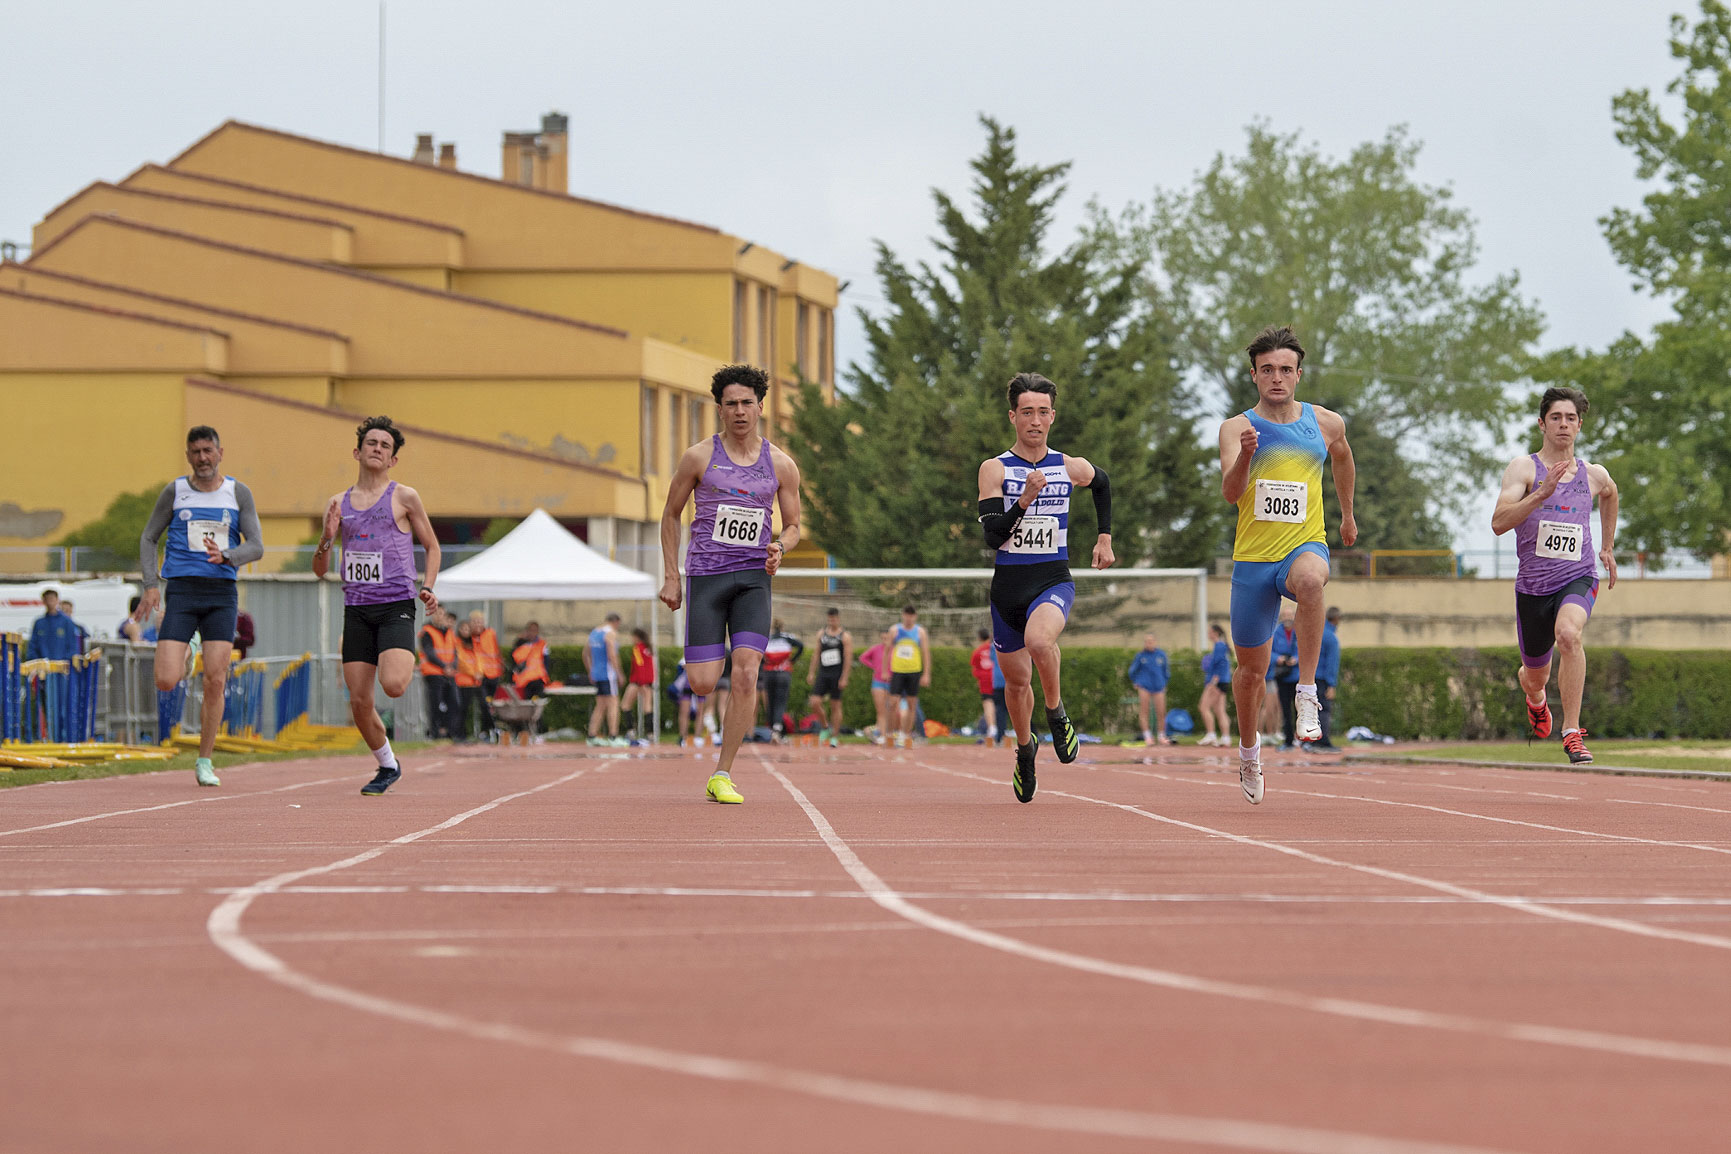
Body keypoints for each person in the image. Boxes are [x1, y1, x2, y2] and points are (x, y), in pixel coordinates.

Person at [1219, 326, 1356, 805]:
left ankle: (1306, 691)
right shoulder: (1237, 428)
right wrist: (1246, 457)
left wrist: (1348, 514)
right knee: (1250, 674)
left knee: (1312, 582)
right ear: (1254, 375)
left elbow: (1343, 457)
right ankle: (1250, 751)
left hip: (1305, 543)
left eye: (1285, 370)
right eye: (1267, 370)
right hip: (1254, 558)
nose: (1277, 378)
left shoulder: (1325, 422)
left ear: (1299, 374)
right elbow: (1231, 493)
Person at [657, 363, 802, 804]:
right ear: (719, 409)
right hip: (706, 575)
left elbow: (794, 525)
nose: (740, 411)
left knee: (746, 674)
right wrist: (670, 575)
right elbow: (669, 515)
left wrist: (782, 546)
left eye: (747, 403)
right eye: (731, 404)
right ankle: (705, 666)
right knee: (703, 682)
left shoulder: (780, 464)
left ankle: (723, 773)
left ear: (761, 407)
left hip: (754, 579)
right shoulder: (699, 457)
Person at [976, 371, 1115, 802]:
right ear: (1013, 417)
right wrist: (1023, 500)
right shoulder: (994, 468)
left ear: (1052, 416)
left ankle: (1056, 712)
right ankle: (1024, 750)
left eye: (1042, 412)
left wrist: (1104, 537)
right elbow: (992, 537)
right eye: (1027, 413)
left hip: (1053, 578)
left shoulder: (1067, 465)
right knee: (1016, 685)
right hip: (1007, 589)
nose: (1035, 421)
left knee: (1040, 641)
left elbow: (1103, 483)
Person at [313, 414, 442, 794]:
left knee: (395, 685)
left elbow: (432, 547)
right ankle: (387, 764)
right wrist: (327, 536)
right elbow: (320, 569)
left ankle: (399, 652)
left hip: (395, 604)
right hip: (356, 608)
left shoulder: (404, 497)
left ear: (393, 460)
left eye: (385, 446)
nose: (377, 449)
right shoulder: (337, 504)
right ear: (357, 451)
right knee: (358, 700)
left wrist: (429, 585)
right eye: (372, 443)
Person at [1491, 385, 1619, 765]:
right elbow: (1498, 523)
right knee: (1535, 676)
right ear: (1542, 423)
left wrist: (1607, 546)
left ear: (1580, 425)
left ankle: (1572, 731)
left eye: (1571, 418)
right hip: (1533, 587)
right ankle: (1536, 699)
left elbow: (1611, 495)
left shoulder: (1594, 475)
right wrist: (1540, 495)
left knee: (1569, 634)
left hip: (1578, 576)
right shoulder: (1524, 468)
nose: (1563, 425)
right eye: (1556, 418)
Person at [137, 426, 266, 787]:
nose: (203, 458)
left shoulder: (237, 492)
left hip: (221, 594)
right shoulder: (175, 492)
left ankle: (205, 761)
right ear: (188, 456)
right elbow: (149, 537)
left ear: (220, 452)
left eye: (208, 450)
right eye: (195, 452)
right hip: (181, 590)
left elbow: (256, 545)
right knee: (165, 680)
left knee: (215, 679)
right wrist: (150, 585)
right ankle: (189, 646)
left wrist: (228, 555)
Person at [886, 605, 930, 749]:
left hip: (914, 671)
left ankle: (905, 734)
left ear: (915, 616)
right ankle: (890, 733)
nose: (908, 618)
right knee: (893, 703)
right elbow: (886, 651)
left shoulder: (920, 632)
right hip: (898, 670)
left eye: (911, 615)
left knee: (912, 704)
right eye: (906, 615)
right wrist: (885, 671)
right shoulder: (894, 630)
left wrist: (926, 673)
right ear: (902, 615)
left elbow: (925, 653)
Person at [805, 608, 851, 748]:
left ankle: (835, 737)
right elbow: (816, 654)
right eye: (830, 619)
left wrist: (844, 677)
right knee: (814, 701)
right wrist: (811, 672)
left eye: (834, 619)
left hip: (836, 675)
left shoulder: (844, 636)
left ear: (838, 619)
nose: (832, 621)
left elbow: (848, 658)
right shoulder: (822, 634)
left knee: (835, 705)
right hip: (823, 673)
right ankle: (825, 727)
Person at [759, 619, 804, 740]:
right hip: (783, 673)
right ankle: (777, 729)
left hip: (769, 673)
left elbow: (758, 651)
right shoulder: (787, 637)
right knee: (780, 702)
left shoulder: (768, 638)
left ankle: (771, 728)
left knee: (770, 702)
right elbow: (801, 646)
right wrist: (793, 660)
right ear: (782, 627)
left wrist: (764, 661)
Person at [418, 608, 459, 740]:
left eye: (442, 614)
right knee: (435, 705)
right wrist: (444, 666)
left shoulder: (450, 632)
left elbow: (455, 653)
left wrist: (451, 666)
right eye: (437, 614)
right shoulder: (427, 632)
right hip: (434, 673)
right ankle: (434, 733)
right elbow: (429, 653)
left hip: (449, 674)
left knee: (454, 703)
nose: (439, 616)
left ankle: (449, 732)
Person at [585, 612, 624, 746]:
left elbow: (585, 654)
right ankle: (613, 736)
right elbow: (612, 654)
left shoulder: (594, 633)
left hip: (597, 674)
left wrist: (591, 671)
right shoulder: (610, 633)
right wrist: (619, 673)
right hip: (608, 674)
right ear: (616, 622)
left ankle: (592, 735)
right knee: (613, 704)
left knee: (600, 706)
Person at [1128, 632, 1172, 746]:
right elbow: (1132, 671)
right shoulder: (1141, 656)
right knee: (1144, 711)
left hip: (1158, 687)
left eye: (1151, 641)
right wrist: (1136, 682)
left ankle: (1161, 735)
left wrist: (1164, 682)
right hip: (1144, 686)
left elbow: (1166, 671)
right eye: (1147, 641)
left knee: (1161, 712)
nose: (1149, 643)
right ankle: (1147, 736)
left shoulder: (1161, 655)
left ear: (1155, 642)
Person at [1309, 606, 1342, 751]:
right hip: (1323, 678)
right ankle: (1323, 741)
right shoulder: (1332, 638)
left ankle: (1311, 739)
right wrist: (1332, 684)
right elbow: (1331, 663)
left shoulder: (1318, 633)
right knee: (1325, 710)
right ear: (1337, 619)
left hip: (1312, 676)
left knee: (1313, 710)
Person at [1196, 623, 1233, 747]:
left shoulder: (1219, 645)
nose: (1208, 634)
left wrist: (1214, 681)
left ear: (1215, 633)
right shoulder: (1223, 645)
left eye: (1210, 632)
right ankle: (1226, 737)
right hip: (1223, 680)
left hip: (1217, 681)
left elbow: (1220, 664)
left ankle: (1211, 734)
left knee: (1203, 707)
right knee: (1219, 710)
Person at [467, 611, 501, 740]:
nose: (477, 624)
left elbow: (496, 652)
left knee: (491, 704)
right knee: (483, 704)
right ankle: (488, 729)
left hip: (493, 674)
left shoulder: (490, 633)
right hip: (479, 676)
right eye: (474, 621)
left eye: (479, 621)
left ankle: (490, 729)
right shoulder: (468, 637)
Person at [1270, 605, 1300, 749]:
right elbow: (1269, 651)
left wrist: (1296, 658)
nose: (1287, 618)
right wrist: (1279, 658)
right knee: (1285, 710)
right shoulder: (1276, 632)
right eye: (1285, 615)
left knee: (1299, 709)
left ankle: (1302, 739)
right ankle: (1288, 740)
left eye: (1290, 615)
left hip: (1297, 676)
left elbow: (1306, 648)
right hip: (1282, 676)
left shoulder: (1300, 631)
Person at [620, 627, 657, 741]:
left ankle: (631, 731)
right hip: (648, 682)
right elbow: (651, 667)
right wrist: (648, 682)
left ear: (636, 637)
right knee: (647, 707)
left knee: (625, 705)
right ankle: (650, 733)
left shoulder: (637, 649)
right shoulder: (648, 648)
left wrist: (641, 683)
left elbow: (639, 665)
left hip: (638, 682)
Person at [857, 629, 893, 744]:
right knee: (880, 709)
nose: (885, 641)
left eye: (886, 638)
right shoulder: (876, 648)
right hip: (878, 681)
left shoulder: (895, 649)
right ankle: (882, 735)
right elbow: (862, 658)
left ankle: (887, 733)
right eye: (883, 638)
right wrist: (874, 666)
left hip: (892, 682)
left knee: (890, 709)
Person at [26, 589, 81, 661]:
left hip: (62, 668)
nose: (49, 602)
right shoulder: (39, 623)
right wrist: (36, 661)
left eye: (52, 599)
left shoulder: (67, 622)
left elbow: (73, 646)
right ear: (43, 601)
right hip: (42, 668)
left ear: (57, 600)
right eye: (47, 599)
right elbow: (32, 646)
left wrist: (65, 662)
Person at [453, 618, 485, 741]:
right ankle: (458, 733)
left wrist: (480, 672)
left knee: (470, 709)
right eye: (463, 629)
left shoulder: (474, 644)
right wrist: (473, 673)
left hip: (474, 682)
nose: (466, 631)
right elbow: (461, 662)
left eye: (468, 629)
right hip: (462, 681)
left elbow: (479, 660)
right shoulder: (457, 643)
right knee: (460, 709)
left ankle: (470, 733)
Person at [969, 627, 998, 745]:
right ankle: (998, 727)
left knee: (988, 703)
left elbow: (975, 667)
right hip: (996, 678)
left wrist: (978, 677)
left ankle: (992, 728)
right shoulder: (995, 648)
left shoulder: (978, 651)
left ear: (980, 638)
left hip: (985, 680)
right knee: (999, 705)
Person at [511, 621, 551, 698]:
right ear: (527, 631)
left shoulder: (542, 644)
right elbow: (514, 659)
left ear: (537, 632)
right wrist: (519, 640)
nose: (532, 633)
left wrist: (545, 675)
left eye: (534, 631)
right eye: (530, 630)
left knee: (537, 701)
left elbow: (546, 661)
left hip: (537, 679)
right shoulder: (521, 643)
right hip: (523, 680)